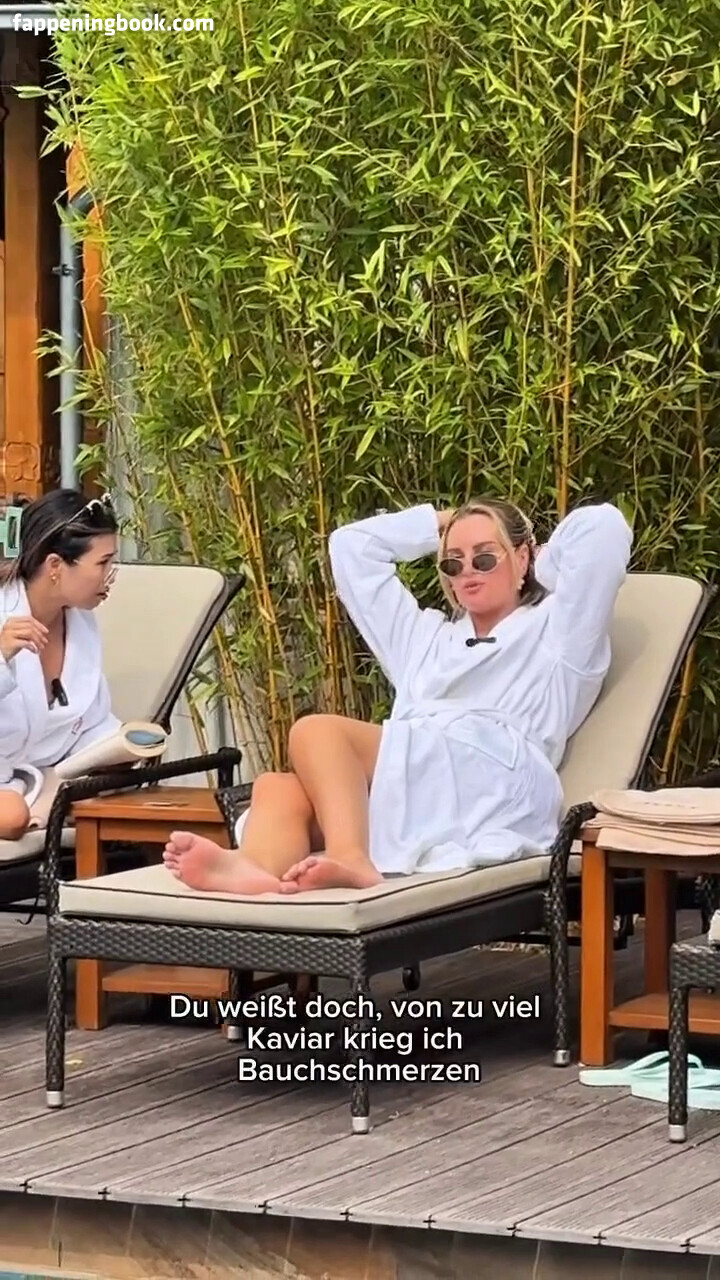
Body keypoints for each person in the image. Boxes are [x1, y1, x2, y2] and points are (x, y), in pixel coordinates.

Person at [163, 495, 633, 895]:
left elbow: (603, 530)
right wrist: (441, 522)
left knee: (315, 731)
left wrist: (543, 562)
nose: (468, 571)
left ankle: (351, 857)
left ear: (522, 558)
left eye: (486, 558)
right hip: (423, 780)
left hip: (496, 780)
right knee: (277, 788)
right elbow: (350, 547)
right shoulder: (425, 639)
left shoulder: (558, 635)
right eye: (453, 562)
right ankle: (258, 872)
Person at [0, 489, 121, 840]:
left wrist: (120, 746)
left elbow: (90, 722)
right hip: (14, 791)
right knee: (11, 817)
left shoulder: (81, 625)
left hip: (34, 778)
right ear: (55, 566)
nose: (110, 576)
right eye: (102, 563)